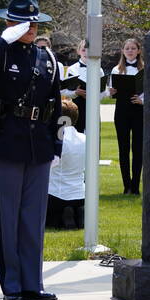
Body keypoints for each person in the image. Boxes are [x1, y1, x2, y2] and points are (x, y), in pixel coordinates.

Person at [0, 0, 62, 300]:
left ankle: (33, 282)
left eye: (34, 22)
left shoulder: (46, 58)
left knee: (33, 217)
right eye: (23, 22)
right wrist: (1, 40)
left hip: (39, 145)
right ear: (10, 22)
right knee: (8, 218)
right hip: (7, 141)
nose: (30, 27)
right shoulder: (1, 54)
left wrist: (56, 144)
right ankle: (12, 285)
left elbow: (55, 102)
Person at [108, 37, 145, 195]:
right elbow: (109, 91)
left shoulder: (145, 68)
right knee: (123, 149)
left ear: (138, 51)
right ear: (123, 51)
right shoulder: (116, 69)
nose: (130, 51)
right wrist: (110, 91)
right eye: (127, 48)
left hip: (138, 110)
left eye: (133, 48)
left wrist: (142, 99)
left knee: (138, 149)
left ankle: (136, 186)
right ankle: (126, 186)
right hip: (122, 110)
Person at [46, 98, 86, 229]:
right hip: (80, 193)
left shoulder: (55, 139)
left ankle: (65, 213)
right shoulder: (85, 139)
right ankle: (76, 211)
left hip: (56, 194)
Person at [61, 39, 106, 134]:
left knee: (94, 136)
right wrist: (75, 93)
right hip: (77, 107)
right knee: (77, 135)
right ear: (78, 51)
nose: (86, 53)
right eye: (83, 50)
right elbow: (64, 91)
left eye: (89, 50)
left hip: (93, 108)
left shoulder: (99, 69)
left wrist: (94, 95)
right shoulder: (72, 69)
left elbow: (103, 92)